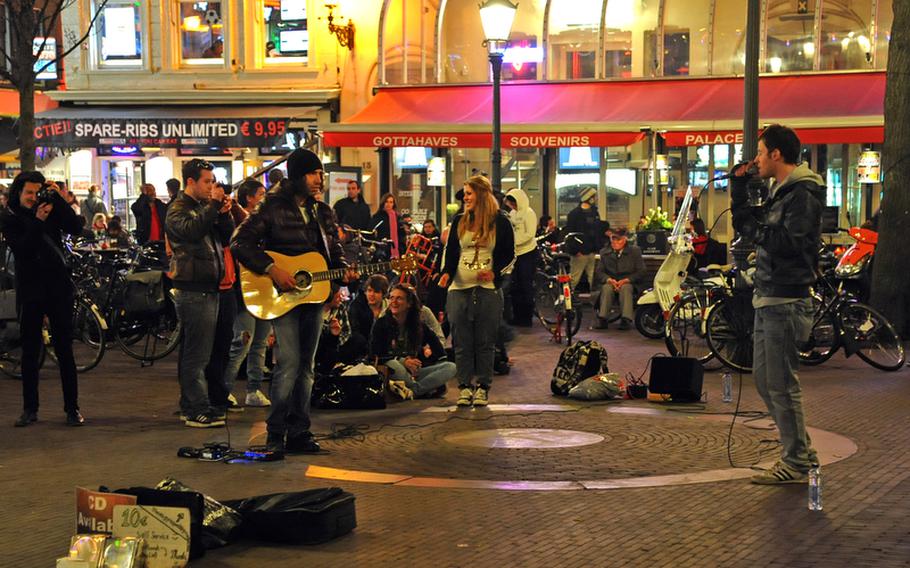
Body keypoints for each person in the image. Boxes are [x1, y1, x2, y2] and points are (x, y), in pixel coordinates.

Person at [232, 148, 354, 454]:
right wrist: (272, 269)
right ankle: (276, 434)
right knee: (288, 364)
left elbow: (332, 250)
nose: (319, 180)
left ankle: (300, 432)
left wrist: (341, 274)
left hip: (312, 296)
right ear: (297, 175)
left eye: (320, 174)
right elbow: (240, 242)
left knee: (307, 367)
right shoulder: (271, 206)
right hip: (283, 295)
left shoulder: (322, 211)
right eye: (313, 174)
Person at [730, 124, 824, 485]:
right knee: (766, 382)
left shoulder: (801, 194)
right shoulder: (783, 192)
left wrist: (757, 231)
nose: (755, 158)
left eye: (760, 151)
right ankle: (799, 450)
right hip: (770, 296)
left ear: (776, 155)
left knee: (782, 384)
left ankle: (796, 459)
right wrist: (739, 189)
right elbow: (749, 226)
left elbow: (788, 242)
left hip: (785, 299)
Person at [1, 172, 85, 427]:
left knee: (65, 350)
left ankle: (72, 408)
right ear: (18, 192)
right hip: (30, 289)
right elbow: (24, 249)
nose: (33, 198)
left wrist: (58, 200)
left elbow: (75, 226)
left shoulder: (49, 208)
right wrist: (38, 221)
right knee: (30, 350)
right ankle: (30, 409)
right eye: (29, 193)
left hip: (58, 287)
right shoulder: (9, 217)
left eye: (38, 193)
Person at [166, 159, 235, 428]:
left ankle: (191, 404)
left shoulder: (202, 208)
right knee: (197, 354)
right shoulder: (178, 209)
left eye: (212, 181)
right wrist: (214, 206)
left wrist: (225, 212)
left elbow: (227, 238)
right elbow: (191, 231)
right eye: (207, 181)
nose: (211, 186)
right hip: (193, 290)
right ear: (191, 182)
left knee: (198, 351)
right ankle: (196, 408)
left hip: (209, 288)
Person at [438, 175, 515, 407]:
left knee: (485, 341)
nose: (466, 198)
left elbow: (510, 256)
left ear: (481, 194)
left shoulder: (500, 222)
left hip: (488, 290)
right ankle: (463, 387)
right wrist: (445, 273)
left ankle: (482, 387)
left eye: (469, 193)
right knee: (461, 341)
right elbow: (451, 252)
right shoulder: (459, 220)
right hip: (459, 289)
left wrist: (495, 273)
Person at [222, 179, 272, 407]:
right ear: (249, 198)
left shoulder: (267, 221)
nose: (264, 197)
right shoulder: (239, 221)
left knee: (261, 342)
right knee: (242, 341)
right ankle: (223, 390)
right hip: (244, 289)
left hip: (267, 288)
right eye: (261, 193)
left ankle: (254, 389)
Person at [370, 284, 455, 400]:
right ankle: (423, 389)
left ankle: (413, 391)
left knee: (450, 367)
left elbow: (439, 351)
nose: (393, 302)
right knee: (394, 365)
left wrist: (425, 359)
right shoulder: (381, 324)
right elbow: (375, 355)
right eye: (391, 297)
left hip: (414, 372)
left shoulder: (418, 325)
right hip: (394, 371)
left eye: (399, 298)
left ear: (409, 303)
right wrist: (403, 361)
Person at [594, 227, 644, 330]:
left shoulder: (634, 251)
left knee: (626, 288)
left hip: (629, 282)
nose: (615, 242)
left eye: (619, 240)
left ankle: (626, 319)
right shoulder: (605, 252)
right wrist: (608, 279)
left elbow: (641, 271)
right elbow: (599, 271)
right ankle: (603, 318)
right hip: (611, 281)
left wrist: (627, 280)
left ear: (625, 239)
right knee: (607, 288)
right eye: (613, 239)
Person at [504, 188, 538, 327]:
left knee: (525, 285)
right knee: (515, 286)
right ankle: (517, 316)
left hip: (527, 253)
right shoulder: (512, 213)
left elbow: (529, 234)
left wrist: (512, 241)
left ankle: (527, 317)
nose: (513, 206)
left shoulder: (529, 213)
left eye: (514, 203)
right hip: (516, 254)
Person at [565, 187, 601, 290]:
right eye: (594, 196)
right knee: (574, 277)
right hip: (580, 251)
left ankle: (590, 299)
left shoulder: (594, 212)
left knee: (592, 278)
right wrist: (575, 250)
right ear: (589, 198)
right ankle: (568, 299)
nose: (596, 198)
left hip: (591, 250)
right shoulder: (574, 214)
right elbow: (570, 233)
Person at [348, 274, 389, 351]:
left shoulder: (389, 307)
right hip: (360, 350)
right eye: (369, 290)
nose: (371, 295)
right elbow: (355, 332)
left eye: (376, 292)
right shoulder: (356, 306)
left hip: (384, 350)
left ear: (383, 293)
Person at [370, 193, 407, 259]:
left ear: (393, 204)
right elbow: (372, 233)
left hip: (396, 249)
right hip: (382, 250)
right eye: (386, 202)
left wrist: (402, 248)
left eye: (391, 202)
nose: (388, 204)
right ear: (383, 203)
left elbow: (401, 234)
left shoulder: (397, 217)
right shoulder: (377, 217)